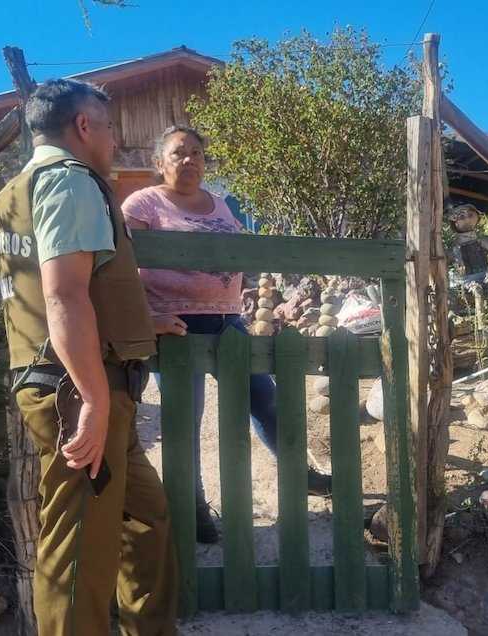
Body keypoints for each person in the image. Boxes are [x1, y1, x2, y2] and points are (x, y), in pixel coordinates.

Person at [0, 79, 176, 635]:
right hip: (77, 389)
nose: (115, 140)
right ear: (83, 126)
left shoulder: (13, 192)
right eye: (110, 127)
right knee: (79, 546)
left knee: (144, 517)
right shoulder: (69, 182)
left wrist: (138, 322)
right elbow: (64, 294)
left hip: (75, 381)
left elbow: (77, 288)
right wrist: (94, 400)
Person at [122, 125, 333, 545]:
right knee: (186, 420)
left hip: (226, 321)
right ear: (159, 162)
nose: (189, 160)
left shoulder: (219, 203)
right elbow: (120, 267)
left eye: (197, 153)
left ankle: (302, 475)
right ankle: (193, 506)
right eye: (179, 152)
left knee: (265, 399)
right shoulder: (143, 204)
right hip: (175, 326)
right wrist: (147, 317)